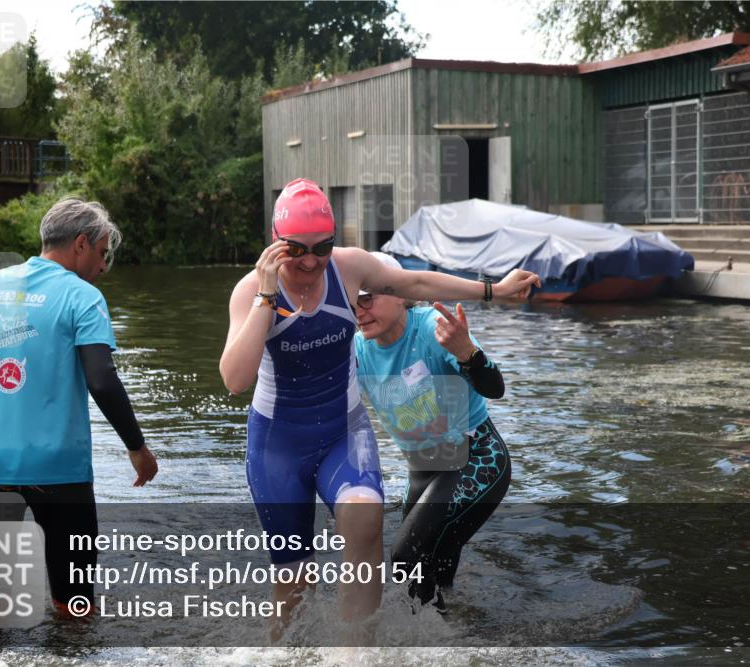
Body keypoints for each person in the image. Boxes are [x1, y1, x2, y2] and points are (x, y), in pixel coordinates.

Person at [219, 178, 538, 636]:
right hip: (288, 450)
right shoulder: (264, 297)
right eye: (296, 249)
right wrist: (266, 298)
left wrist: (490, 299)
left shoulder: (372, 287)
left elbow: (419, 283)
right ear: (276, 243)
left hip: (402, 446)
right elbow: (234, 380)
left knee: (382, 534)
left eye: (322, 247)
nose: (310, 260)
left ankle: (362, 653)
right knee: (302, 585)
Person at [0, 197, 158, 616]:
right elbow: (101, 378)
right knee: (73, 607)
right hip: (62, 472)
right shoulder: (83, 297)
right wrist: (137, 448)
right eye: (101, 254)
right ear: (80, 244)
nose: (101, 268)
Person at [353, 252, 511, 613]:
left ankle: (428, 647)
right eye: (353, 301)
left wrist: (467, 352)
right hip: (422, 473)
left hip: (476, 459)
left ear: (401, 294)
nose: (359, 310)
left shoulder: (431, 329)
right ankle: (454, 639)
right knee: (433, 576)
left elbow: (495, 388)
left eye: (369, 297)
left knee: (406, 557)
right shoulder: (358, 349)